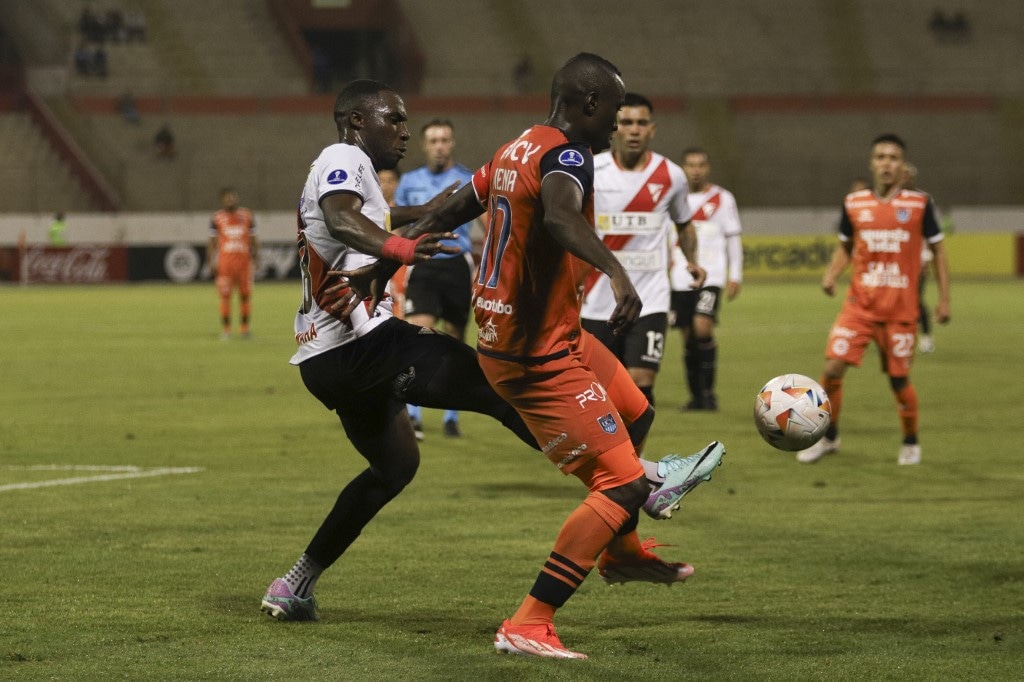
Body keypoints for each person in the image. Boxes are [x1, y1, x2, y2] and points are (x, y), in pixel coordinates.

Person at [260, 78, 714, 633]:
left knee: (395, 467)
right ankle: (639, 478)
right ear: (357, 121)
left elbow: (364, 216)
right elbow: (338, 217)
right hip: (364, 346)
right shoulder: (340, 156)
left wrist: (420, 215)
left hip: (325, 360)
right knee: (501, 387)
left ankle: (296, 583)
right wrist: (399, 249)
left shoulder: (359, 174)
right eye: (393, 119)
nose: (404, 131)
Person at [403, 53, 725, 659]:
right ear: (590, 105)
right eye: (614, 111)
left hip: (557, 333)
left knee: (636, 412)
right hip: (532, 354)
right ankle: (528, 622)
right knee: (624, 483)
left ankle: (622, 552)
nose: (617, 123)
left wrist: (399, 242)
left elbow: (454, 206)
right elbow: (558, 214)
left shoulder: (515, 147)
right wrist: (618, 273)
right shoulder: (568, 156)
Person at [796, 134, 951, 466]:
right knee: (832, 368)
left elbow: (938, 250)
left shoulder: (920, 205)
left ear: (902, 165)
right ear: (872, 163)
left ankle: (910, 441)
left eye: (893, 157)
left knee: (898, 381)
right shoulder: (854, 203)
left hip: (900, 312)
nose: (886, 163)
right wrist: (831, 274)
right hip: (859, 308)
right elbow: (845, 246)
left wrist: (944, 300)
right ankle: (829, 436)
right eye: (881, 157)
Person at [581, 93, 705, 425]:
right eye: (626, 122)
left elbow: (684, 224)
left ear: (652, 129)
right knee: (598, 389)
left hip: (649, 299)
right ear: (614, 127)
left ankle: (634, 466)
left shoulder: (671, 176)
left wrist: (691, 260)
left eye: (640, 123)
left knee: (640, 383)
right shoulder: (592, 169)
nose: (634, 130)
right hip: (596, 299)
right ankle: (611, 463)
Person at [394, 119, 478, 439]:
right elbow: (400, 228)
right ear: (424, 145)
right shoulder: (410, 181)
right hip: (423, 266)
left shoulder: (468, 180)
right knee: (419, 338)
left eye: (444, 140)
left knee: (455, 344)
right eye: (433, 140)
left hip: (457, 265)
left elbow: (486, 222)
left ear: (452, 143)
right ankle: (414, 413)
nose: (439, 146)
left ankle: (451, 416)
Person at [669, 147, 744, 411]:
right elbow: (668, 236)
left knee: (703, 327)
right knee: (688, 337)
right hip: (679, 278)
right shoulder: (673, 198)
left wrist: (735, 274)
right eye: (691, 165)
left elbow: (732, 238)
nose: (696, 170)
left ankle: (710, 394)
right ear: (683, 168)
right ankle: (696, 397)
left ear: (708, 168)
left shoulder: (723, 198)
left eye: (701, 164)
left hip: (711, 275)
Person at [207, 187, 258, 340]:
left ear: (237, 198)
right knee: (225, 297)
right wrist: (211, 261)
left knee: (245, 296)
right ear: (222, 200)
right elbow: (212, 242)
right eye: (227, 198)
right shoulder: (217, 218)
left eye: (233, 197)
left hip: (244, 263)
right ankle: (227, 330)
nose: (230, 200)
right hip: (225, 264)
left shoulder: (247, 216)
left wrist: (257, 258)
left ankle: (244, 329)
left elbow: (254, 240)